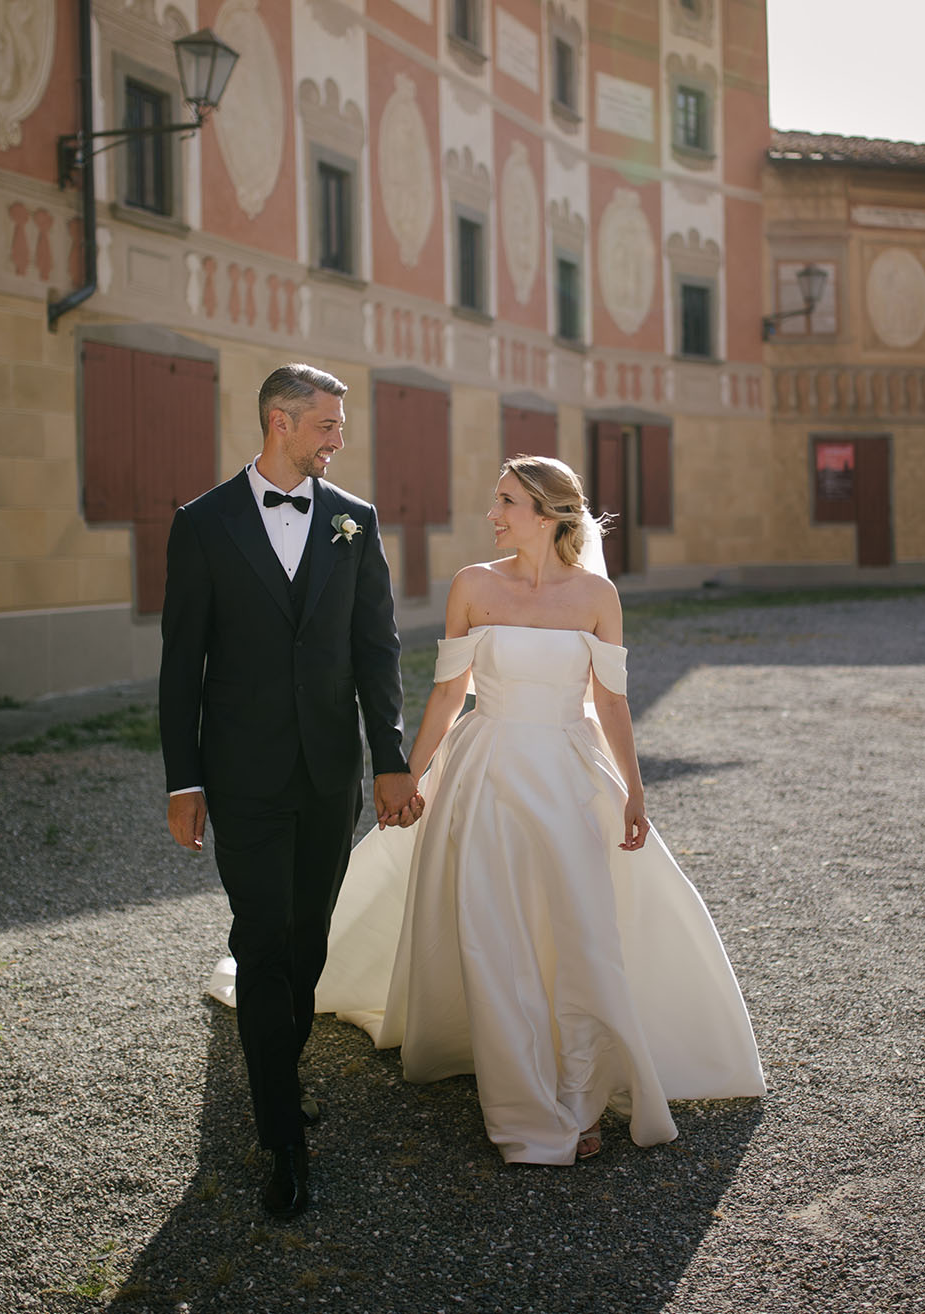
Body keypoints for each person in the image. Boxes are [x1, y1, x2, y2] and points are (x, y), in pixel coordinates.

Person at [211, 455, 766, 1165]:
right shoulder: (473, 584)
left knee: (579, 936)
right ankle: (522, 1109)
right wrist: (407, 776)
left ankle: (579, 1094)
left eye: (506, 501)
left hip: (568, 780)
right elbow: (449, 693)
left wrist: (634, 790)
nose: (492, 514)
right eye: (495, 501)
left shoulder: (597, 596)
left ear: (548, 513)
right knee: (494, 941)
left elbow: (611, 702)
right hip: (486, 777)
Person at [161, 363, 419, 1218]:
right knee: (262, 936)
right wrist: (184, 780)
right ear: (280, 421)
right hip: (241, 774)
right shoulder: (203, 524)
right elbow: (181, 665)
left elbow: (377, 649)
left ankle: (278, 1069)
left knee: (307, 939)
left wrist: (389, 759)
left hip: (328, 773)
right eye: (327, 425)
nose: (340, 439)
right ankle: (282, 1133)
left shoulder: (354, 520)